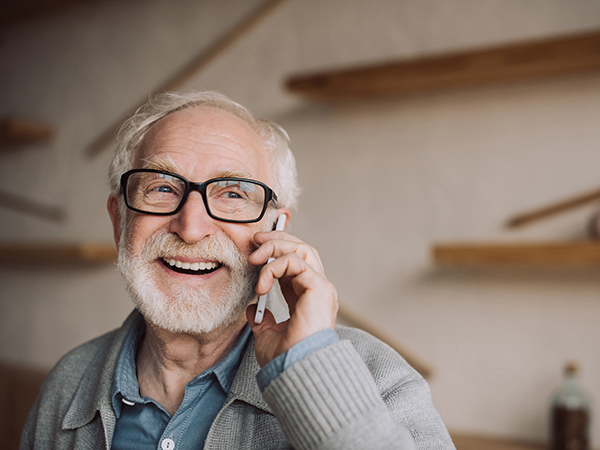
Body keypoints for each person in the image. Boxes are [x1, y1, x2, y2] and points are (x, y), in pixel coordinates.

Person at [21, 91, 455, 450]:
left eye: (232, 193)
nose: (190, 228)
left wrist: (311, 371)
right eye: (161, 187)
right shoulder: (67, 384)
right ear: (120, 222)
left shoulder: (379, 377)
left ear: (277, 228)